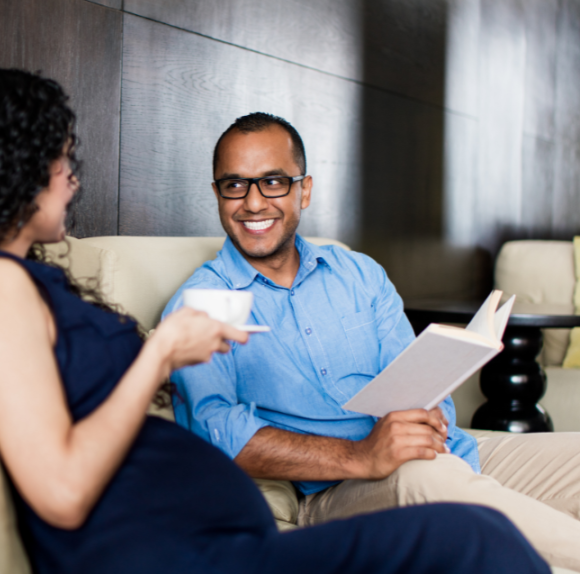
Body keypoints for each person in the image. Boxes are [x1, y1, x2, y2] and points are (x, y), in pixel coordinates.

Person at [0, 66, 547, 574]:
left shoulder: (15, 279)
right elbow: (60, 490)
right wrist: (161, 354)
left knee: (474, 533)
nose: (72, 181)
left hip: (215, 539)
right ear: (11, 169)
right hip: (176, 555)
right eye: (62, 162)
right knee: (473, 536)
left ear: (304, 190)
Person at [165, 111, 580, 570]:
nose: (253, 202)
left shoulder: (359, 273)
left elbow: (423, 379)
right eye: (235, 185)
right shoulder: (200, 305)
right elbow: (215, 433)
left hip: (449, 454)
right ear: (217, 194)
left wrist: (429, 420)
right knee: (429, 479)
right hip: (338, 492)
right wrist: (361, 456)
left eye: (273, 182)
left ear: (304, 189)